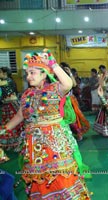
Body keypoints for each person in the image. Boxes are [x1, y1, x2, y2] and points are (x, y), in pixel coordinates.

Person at [0, 50, 90, 199]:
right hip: (34, 144)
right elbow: (20, 115)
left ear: (44, 74)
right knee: (38, 178)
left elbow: (68, 83)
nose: (28, 77)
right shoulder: (27, 94)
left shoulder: (55, 89)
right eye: (27, 73)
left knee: (61, 176)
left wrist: (53, 64)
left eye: (32, 72)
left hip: (55, 143)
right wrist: (3, 130)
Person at [60, 62, 90, 141]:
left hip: (69, 101)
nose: (61, 68)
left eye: (62, 67)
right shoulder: (57, 77)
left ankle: (78, 132)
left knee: (73, 118)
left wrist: (70, 73)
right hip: (60, 101)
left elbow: (74, 84)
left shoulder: (68, 77)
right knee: (62, 119)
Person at [0, 67, 24, 151]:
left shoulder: (8, 80)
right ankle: (9, 143)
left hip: (12, 105)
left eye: (0, 72)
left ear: (5, 73)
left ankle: (18, 144)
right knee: (7, 123)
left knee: (16, 124)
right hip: (6, 106)